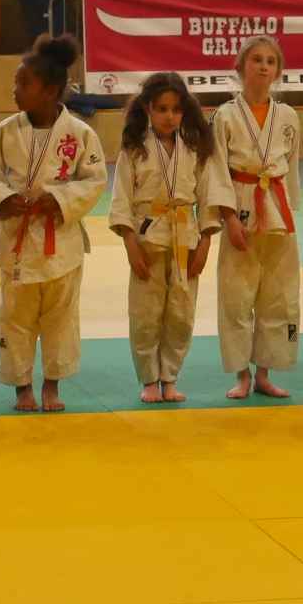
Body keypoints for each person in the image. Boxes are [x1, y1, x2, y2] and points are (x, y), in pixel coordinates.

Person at [0, 34, 107, 412]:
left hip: (60, 241)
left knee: (60, 318)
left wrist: (61, 199)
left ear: (49, 91)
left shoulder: (80, 134)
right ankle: (22, 387)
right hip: (18, 237)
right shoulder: (6, 131)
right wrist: (4, 198)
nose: (15, 90)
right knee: (16, 317)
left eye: (24, 83)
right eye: (16, 82)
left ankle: (52, 385)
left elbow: (95, 180)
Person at [107, 72, 227, 403]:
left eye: (175, 109)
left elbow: (208, 197)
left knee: (181, 312)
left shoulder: (195, 149)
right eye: (161, 109)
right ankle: (149, 379)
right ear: (148, 109)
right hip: (148, 238)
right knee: (145, 313)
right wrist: (129, 243)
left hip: (186, 237)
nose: (169, 116)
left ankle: (170, 376)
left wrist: (206, 241)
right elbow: (121, 199)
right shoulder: (134, 149)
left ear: (184, 111)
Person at [210, 35, 303, 400]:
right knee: (236, 296)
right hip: (241, 202)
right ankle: (241, 375)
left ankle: (264, 372)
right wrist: (228, 217)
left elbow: (291, 166)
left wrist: (289, 208)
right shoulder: (224, 116)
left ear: (277, 71)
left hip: (278, 210)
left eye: (270, 61)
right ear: (240, 67)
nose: (264, 66)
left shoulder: (289, 116)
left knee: (278, 296)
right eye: (256, 60)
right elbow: (216, 169)